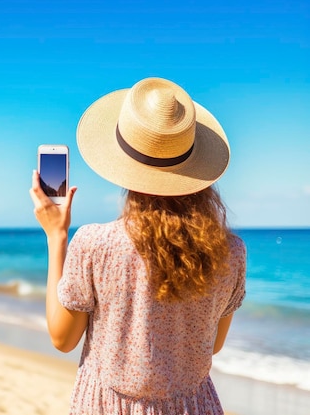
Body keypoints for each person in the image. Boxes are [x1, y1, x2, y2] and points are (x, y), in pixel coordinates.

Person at [29, 77, 246, 415]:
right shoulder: (230, 252)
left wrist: (56, 236)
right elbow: (212, 345)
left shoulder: (95, 244)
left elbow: (62, 339)